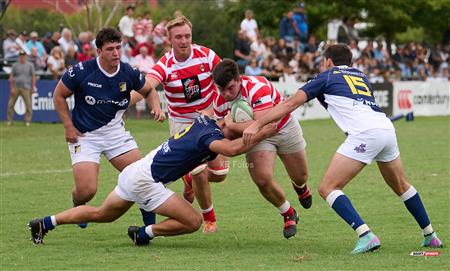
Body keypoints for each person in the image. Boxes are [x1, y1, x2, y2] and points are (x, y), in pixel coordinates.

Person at [243, 44, 444, 253]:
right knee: (402, 185)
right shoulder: (361, 76)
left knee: (327, 188)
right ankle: (430, 235)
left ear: (328, 61)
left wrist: (256, 124)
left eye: (323, 61)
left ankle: (366, 235)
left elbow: (290, 103)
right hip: (386, 129)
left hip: (365, 134)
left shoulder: (327, 76)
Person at [28, 116, 276, 245]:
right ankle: (145, 233)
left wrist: (250, 128)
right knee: (192, 221)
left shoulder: (204, 121)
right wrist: (263, 132)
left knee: (101, 214)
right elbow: (232, 150)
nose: (247, 131)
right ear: (228, 124)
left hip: (136, 171)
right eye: (244, 129)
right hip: (147, 181)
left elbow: (229, 142)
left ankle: (45, 223)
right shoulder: (210, 137)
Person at [52, 28, 165, 231]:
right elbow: (58, 95)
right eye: (110, 49)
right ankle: (78, 204)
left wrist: (156, 106)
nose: (116, 53)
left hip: (115, 135)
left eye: (118, 48)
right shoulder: (81, 71)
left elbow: (149, 90)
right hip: (85, 136)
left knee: (143, 177)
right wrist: (68, 126)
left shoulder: (128, 72)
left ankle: (149, 228)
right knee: (87, 191)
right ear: (99, 51)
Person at [133, 16, 229, 234]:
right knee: (199, 171)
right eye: (178, 37)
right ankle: (209, 219)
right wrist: (125, 104)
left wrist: (215, 109)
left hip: (209, 119)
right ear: (169, 39)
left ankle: (188, 180)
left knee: (220, 175)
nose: (184, 41)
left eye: (187, 36)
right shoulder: (166, 64)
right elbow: (147, 85)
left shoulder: (206, 55)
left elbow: (225, 79)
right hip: (182, 124)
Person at [212, 59, 311, 239]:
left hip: (284, 127)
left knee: (301, 175)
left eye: (230, 88)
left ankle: (300, 186)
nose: (225, 94)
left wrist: (231, 124)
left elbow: (264, 124)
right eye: (221, 89)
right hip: (258, 139)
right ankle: (288, 213)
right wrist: (228, 127)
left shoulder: (258, 86)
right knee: (262, 179)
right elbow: (223, 130)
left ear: (239, 79)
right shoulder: (219, 100)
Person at [7, 50, 36, 127]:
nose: (22, 57)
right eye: (21, 55)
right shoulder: (15, 65)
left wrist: (33, 87)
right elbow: (11, 77)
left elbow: (33, 76)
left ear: (25, 56)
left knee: (28, 105)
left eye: (23, 55)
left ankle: (27, 121)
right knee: (10, 104)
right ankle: (9, 120)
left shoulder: (30, 65)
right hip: (16, 87)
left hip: (26, 87)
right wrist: (12, 88)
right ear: (19, 56)